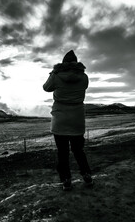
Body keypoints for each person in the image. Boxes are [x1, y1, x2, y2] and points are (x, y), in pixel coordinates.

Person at [43, 50, 93, 191]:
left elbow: (46, 88)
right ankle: (87, 175)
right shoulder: (84, 77)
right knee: (78, 150)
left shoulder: (57, 76)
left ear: (63, 63)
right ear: (76, 63)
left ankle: (66, 180)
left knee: (62, 152)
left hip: (60, 119)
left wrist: (53, 72)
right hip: (77, 119)